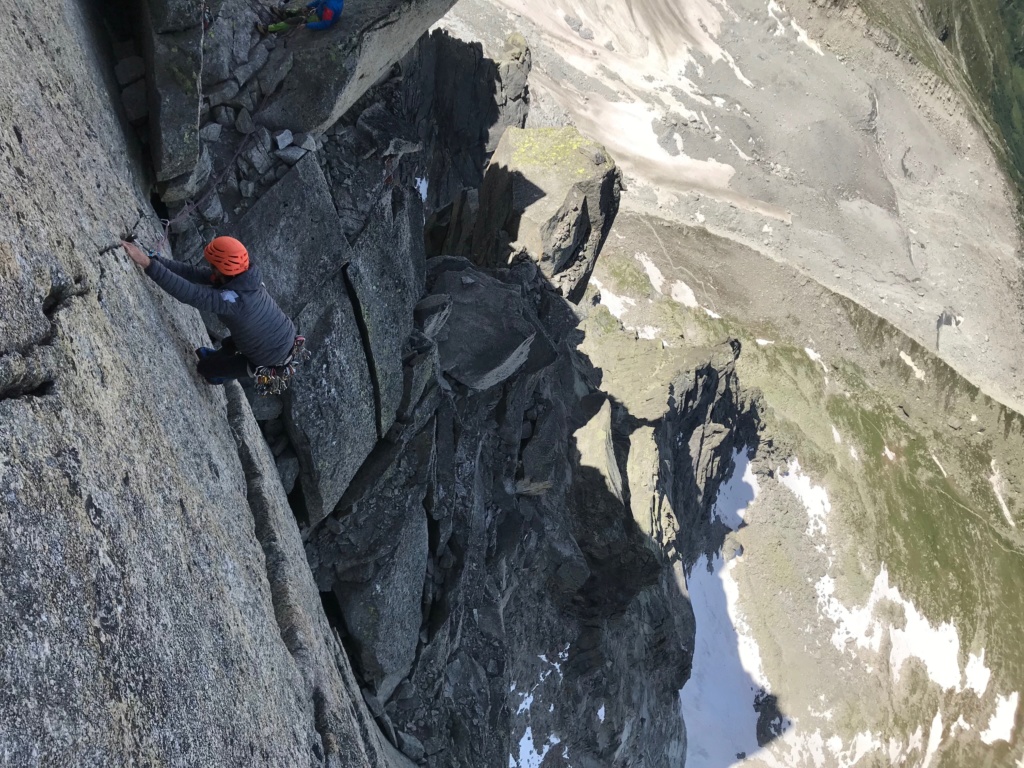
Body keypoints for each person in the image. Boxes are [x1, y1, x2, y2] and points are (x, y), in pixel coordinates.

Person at [121, 236, 298, 385]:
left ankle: (222, 371)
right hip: (280, 334)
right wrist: (156, 260)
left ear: (223, 269)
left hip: (270, 359)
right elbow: (192, 273)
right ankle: (223, 355)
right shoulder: (245, 278)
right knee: (231, 343)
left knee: (205, 370)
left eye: (212, 265)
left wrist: (146, 264)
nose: (210, 268)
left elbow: (190, 293)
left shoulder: (233, 300)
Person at [257, 0, 344, 34]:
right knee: (300, 9)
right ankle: (284, 14)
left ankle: (269, 29)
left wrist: (306, 25)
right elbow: (320, 1)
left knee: (294, 21)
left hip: (319, 18)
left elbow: (325, 24)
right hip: (319, 11)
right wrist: (307, 6)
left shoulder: (331, 7)